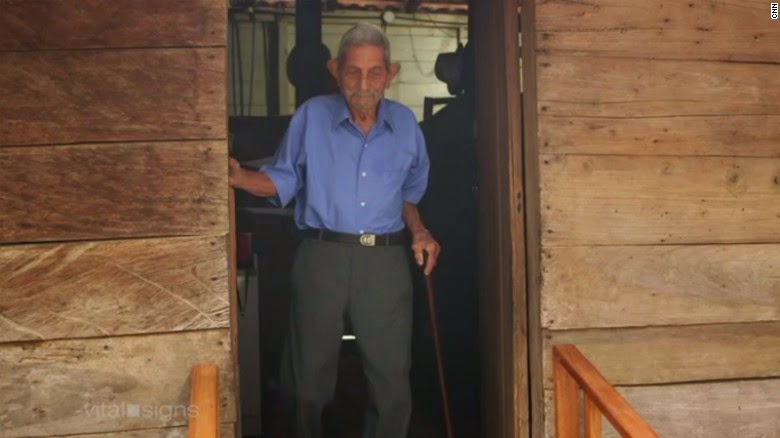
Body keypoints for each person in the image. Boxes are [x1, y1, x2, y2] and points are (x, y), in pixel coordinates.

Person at [228, 23, 441, 438]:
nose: (363, 83)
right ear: (335, 69)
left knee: (391, 384)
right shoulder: (312, 117)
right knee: (306, 384)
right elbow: (282, 180)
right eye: (353, 71)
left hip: (384, 261)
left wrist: (419, 231)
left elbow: (406, 194)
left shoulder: (405, 125)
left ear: (391, 73)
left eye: (374, 72)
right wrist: (240, 178)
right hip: (321, 256)